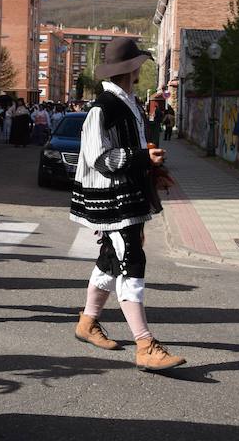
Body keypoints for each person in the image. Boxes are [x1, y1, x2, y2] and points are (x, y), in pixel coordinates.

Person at [70, 38, 185, 372]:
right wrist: (141, 158)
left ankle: (87, 322)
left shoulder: (129, 102)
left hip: (128, 193)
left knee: (110, 258)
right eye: (139, 65)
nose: (140, 71)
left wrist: (152, 168)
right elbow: (97, 158)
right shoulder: (102, 107)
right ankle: (145, 343)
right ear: (131, 68)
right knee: (131, 260)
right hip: (112, 199)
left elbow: (133, 148)